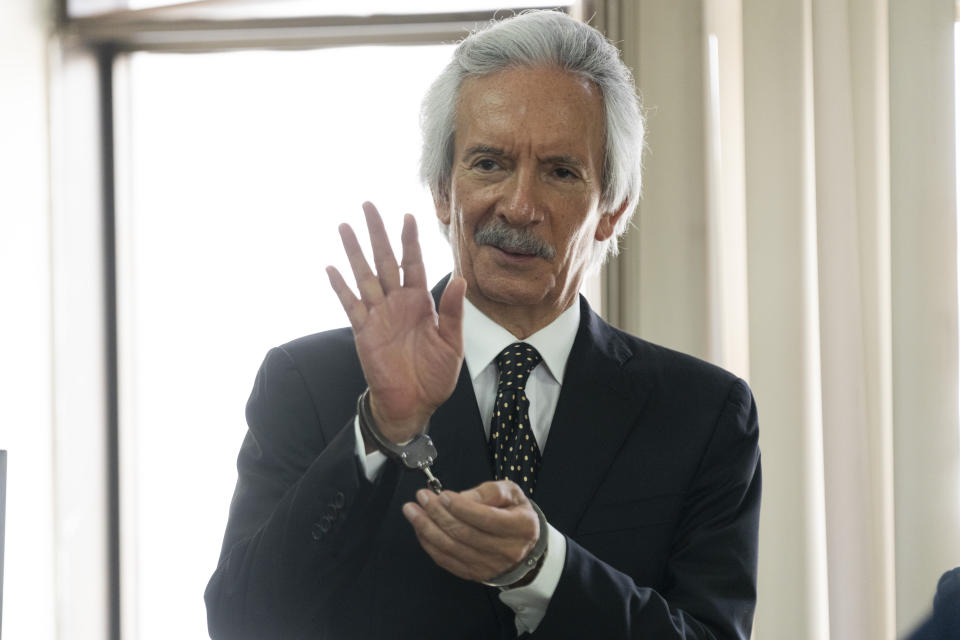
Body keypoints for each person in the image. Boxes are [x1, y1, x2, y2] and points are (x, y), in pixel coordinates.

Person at [205, 10, 760, 639]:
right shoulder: (310, 382)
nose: (519, 207)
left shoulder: (703, 414)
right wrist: (382, 428)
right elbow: (241, 621)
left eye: (560, 171)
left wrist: (543, 569)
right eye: (490, 163)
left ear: (611, 209)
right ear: (443, 190)